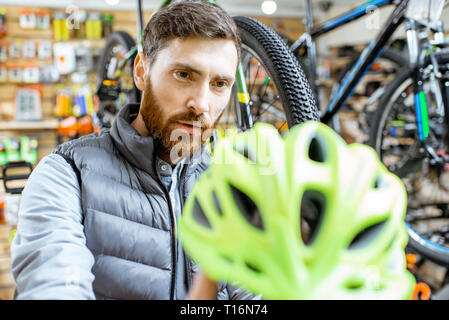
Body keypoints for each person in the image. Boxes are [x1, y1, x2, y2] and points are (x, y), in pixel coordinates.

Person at [11, 0, 256, 300]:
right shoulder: (66, 174)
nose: (202, 104)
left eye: (219, 83)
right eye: (183, 75)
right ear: (141, 71)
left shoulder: (227, 187)